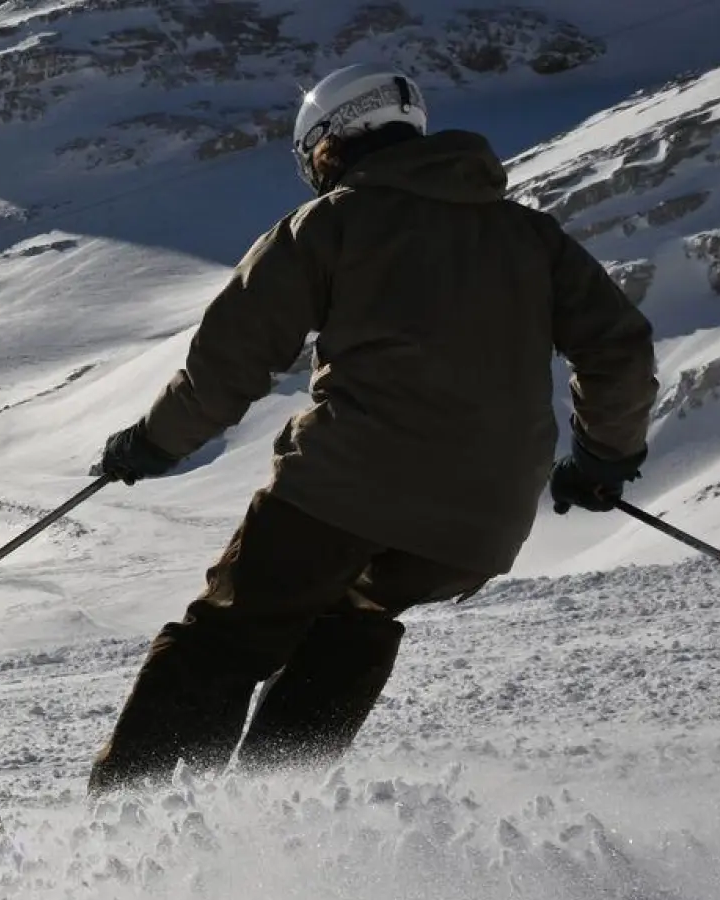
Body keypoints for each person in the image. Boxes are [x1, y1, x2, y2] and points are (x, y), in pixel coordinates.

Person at [87, 63, 658, 797]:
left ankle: (130, 825)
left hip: (345, 487)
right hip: (478, 526)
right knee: (351, 621)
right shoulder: (530, 237)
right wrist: (604, 458)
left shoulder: (333, 222)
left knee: (229, 635)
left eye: (316, 159)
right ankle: (268, 825)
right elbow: (620, 350)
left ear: (331, 145)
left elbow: (229, 361)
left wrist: (153, 441)